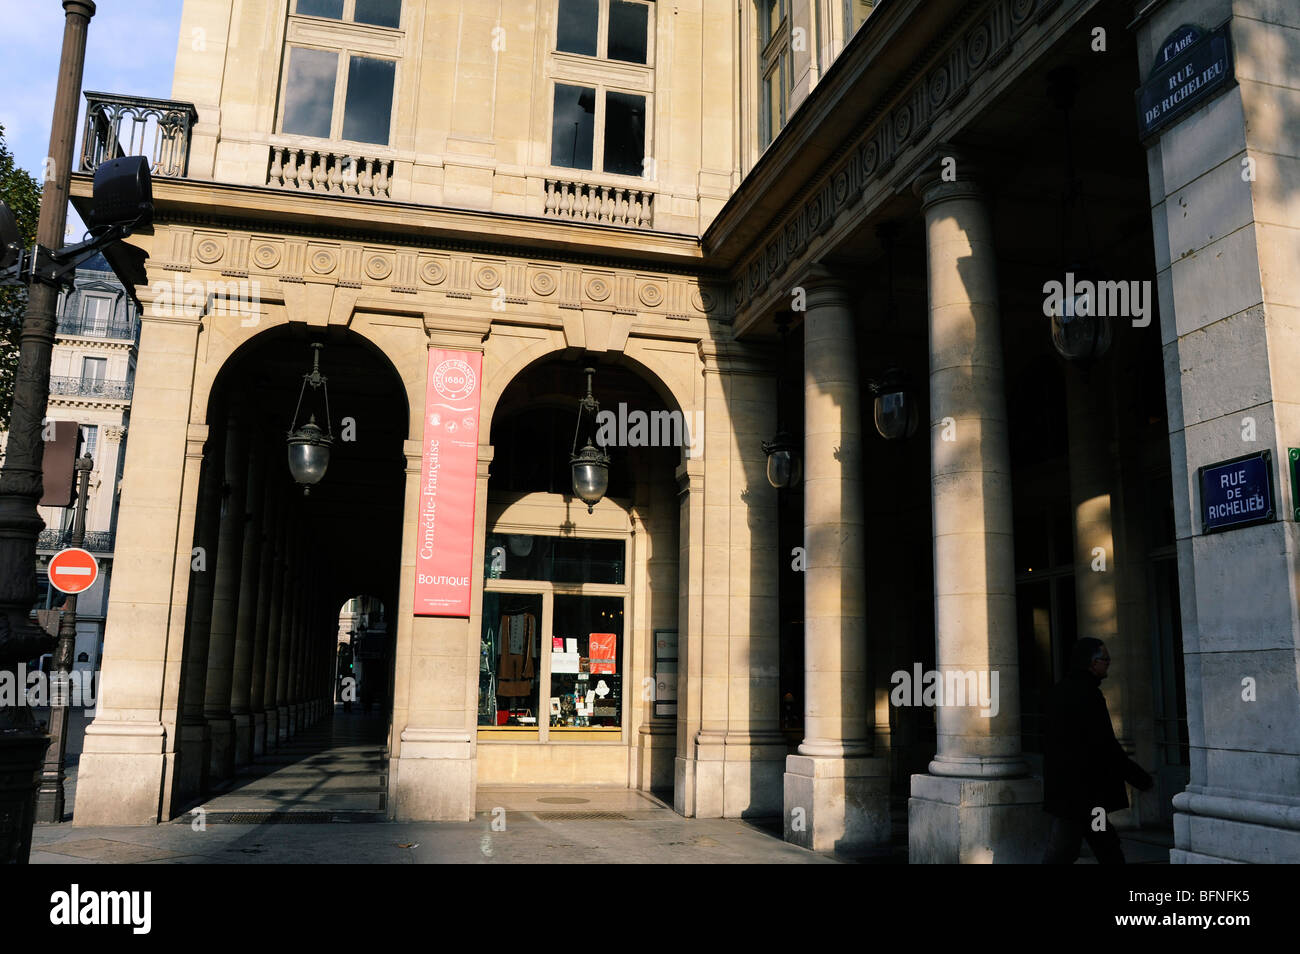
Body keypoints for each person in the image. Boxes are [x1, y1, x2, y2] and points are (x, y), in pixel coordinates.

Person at [1042, 636, 1154, 863]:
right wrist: (1140, 778)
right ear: (1092, 663)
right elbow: (1105, 745)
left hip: (1069, 794)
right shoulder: (1089, 696)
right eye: (1105, 658)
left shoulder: (1059, 692)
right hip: (1086, 796)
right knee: (1101, 847)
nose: (1109, 662)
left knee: (1087, 846)